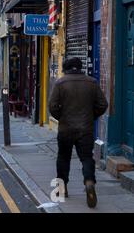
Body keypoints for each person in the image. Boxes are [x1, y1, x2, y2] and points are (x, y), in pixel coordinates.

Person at [48, 57, 108, 208]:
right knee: (87, 158)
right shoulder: (92, 82)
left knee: (63, 158)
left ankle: (61, 190)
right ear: (80, 67)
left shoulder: (60, 83)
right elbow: (103, 104)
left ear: (66, 68)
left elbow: (52, 106)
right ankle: (89, 181)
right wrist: (91, 116)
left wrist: (61, 117)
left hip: (65, 129)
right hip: (85, 128)